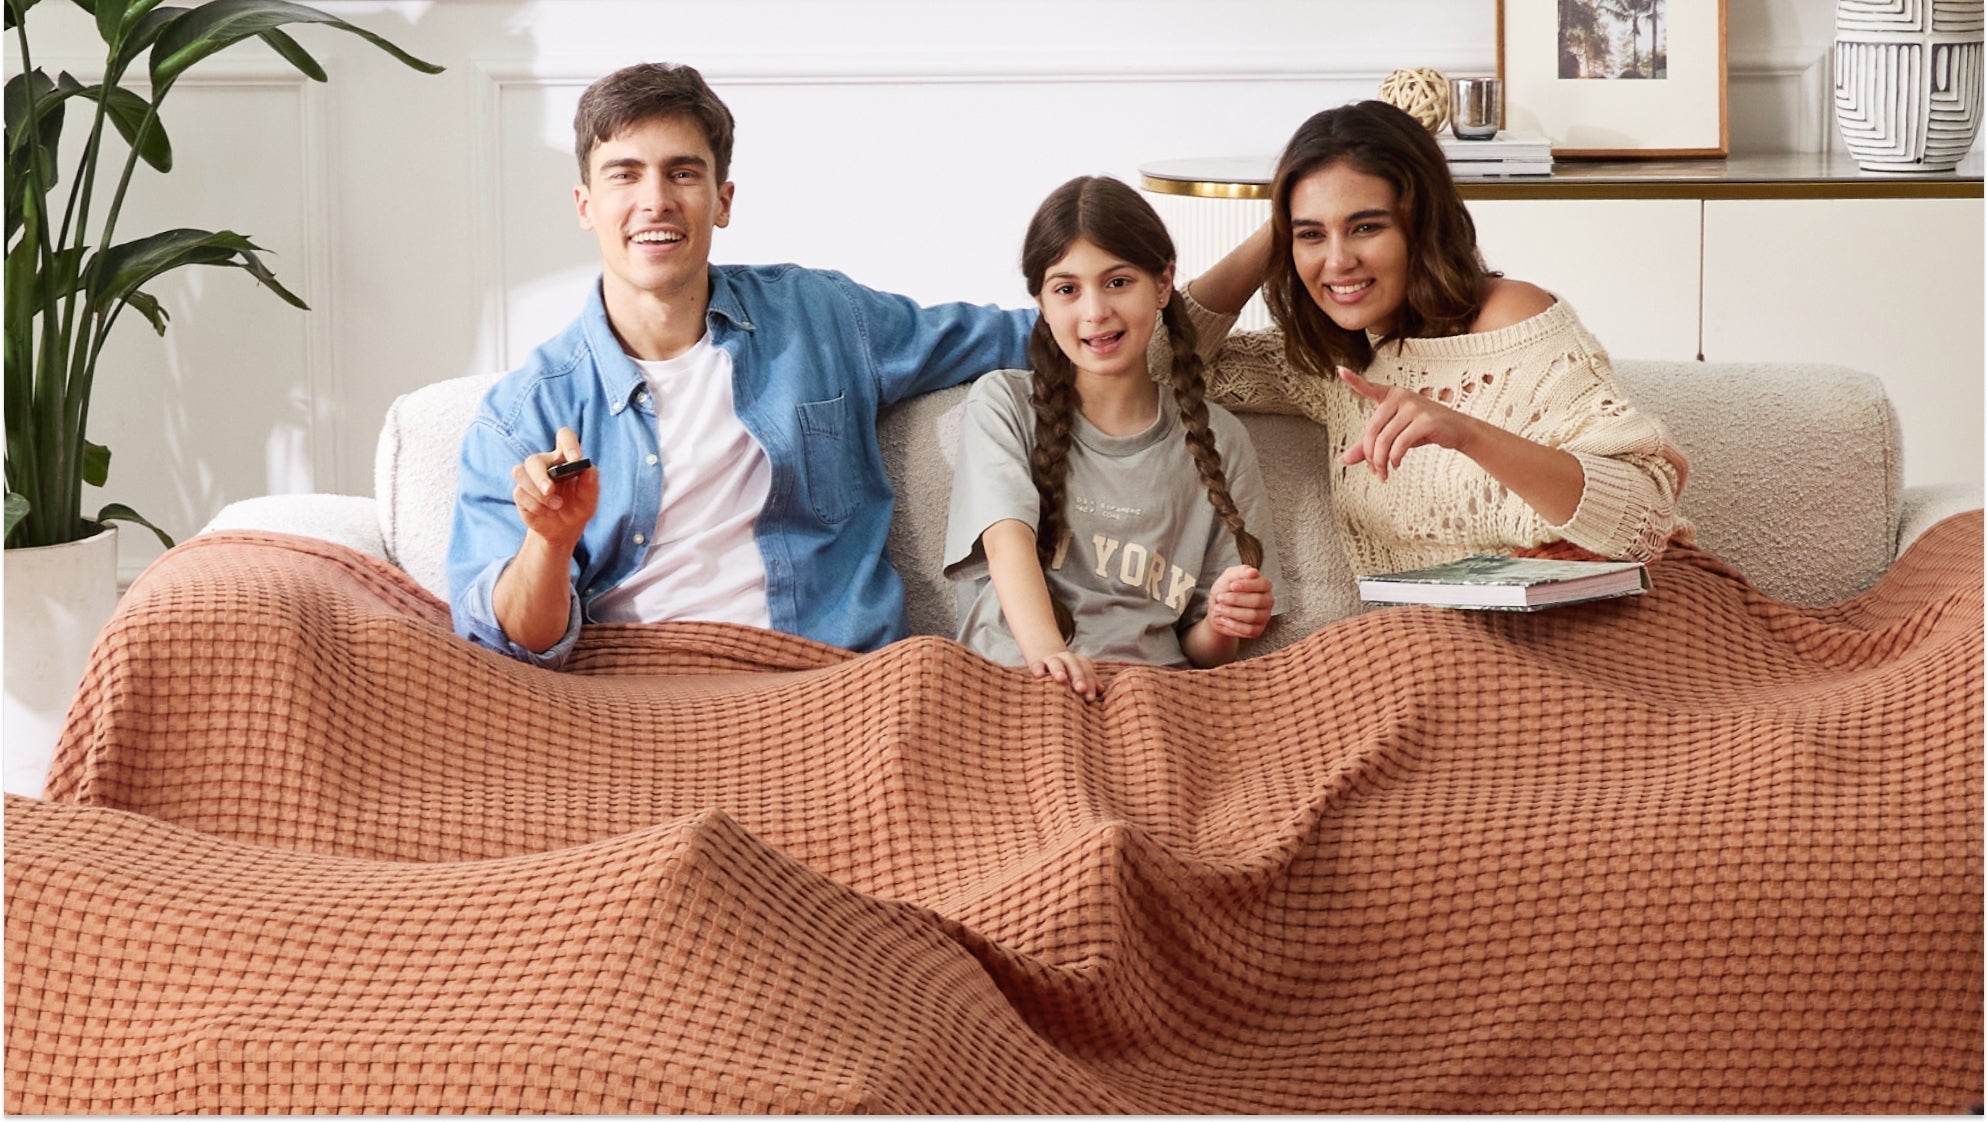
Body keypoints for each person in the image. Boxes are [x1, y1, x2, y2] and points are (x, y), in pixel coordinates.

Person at [446, 62, 1036, 668]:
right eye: (625, 175)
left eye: (682, 173)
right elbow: (511, 645)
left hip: (830, 683)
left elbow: (1023, 336)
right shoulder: (525, 413)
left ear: (722, 200)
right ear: (585, 204)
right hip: (632, 693)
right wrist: (551, 540)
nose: (655, 201)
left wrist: (1132, 296)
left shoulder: (822, 317)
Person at [1181, 101, 1689, 581]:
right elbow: (1160, 362)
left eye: (1365, 227)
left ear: (1422, 226)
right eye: (1311, 235)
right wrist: (1280, 224)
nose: (1337, 261)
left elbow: (1642, 521)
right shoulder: (1332, 361)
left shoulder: (1511, 318)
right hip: (1438, 639)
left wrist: (1465, 432)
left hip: (1607, 615)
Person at [944, 176, 1280, 701]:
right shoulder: (1003, 403)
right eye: (1067, 289)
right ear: (1042, 301)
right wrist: (1051, 656)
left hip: (1150, 699)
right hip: (1017, 685)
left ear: (1163, 284)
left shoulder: (1221, 439)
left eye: (1118, 282)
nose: (1095, 311)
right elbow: (1006, 541)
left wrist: (1225, 620)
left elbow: (1202, 650)